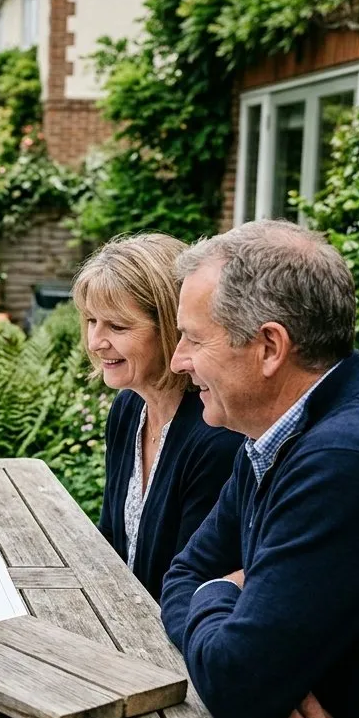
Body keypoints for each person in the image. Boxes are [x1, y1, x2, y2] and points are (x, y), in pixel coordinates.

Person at [160, 220, 359, 718]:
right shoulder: (278, 436)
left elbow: (238, 684)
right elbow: (182, 573)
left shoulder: (349, 461)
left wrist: (221, 597)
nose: (177, 360)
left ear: (270, 347)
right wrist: (232, 606)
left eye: (193, 338)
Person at [73, 235, 240, 600]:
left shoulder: (216, 436)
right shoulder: (129, 408)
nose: (95, 341)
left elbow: (190, 584)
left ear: (169, 329)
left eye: (117, 326)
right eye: (91, 321)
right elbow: (114, 541)